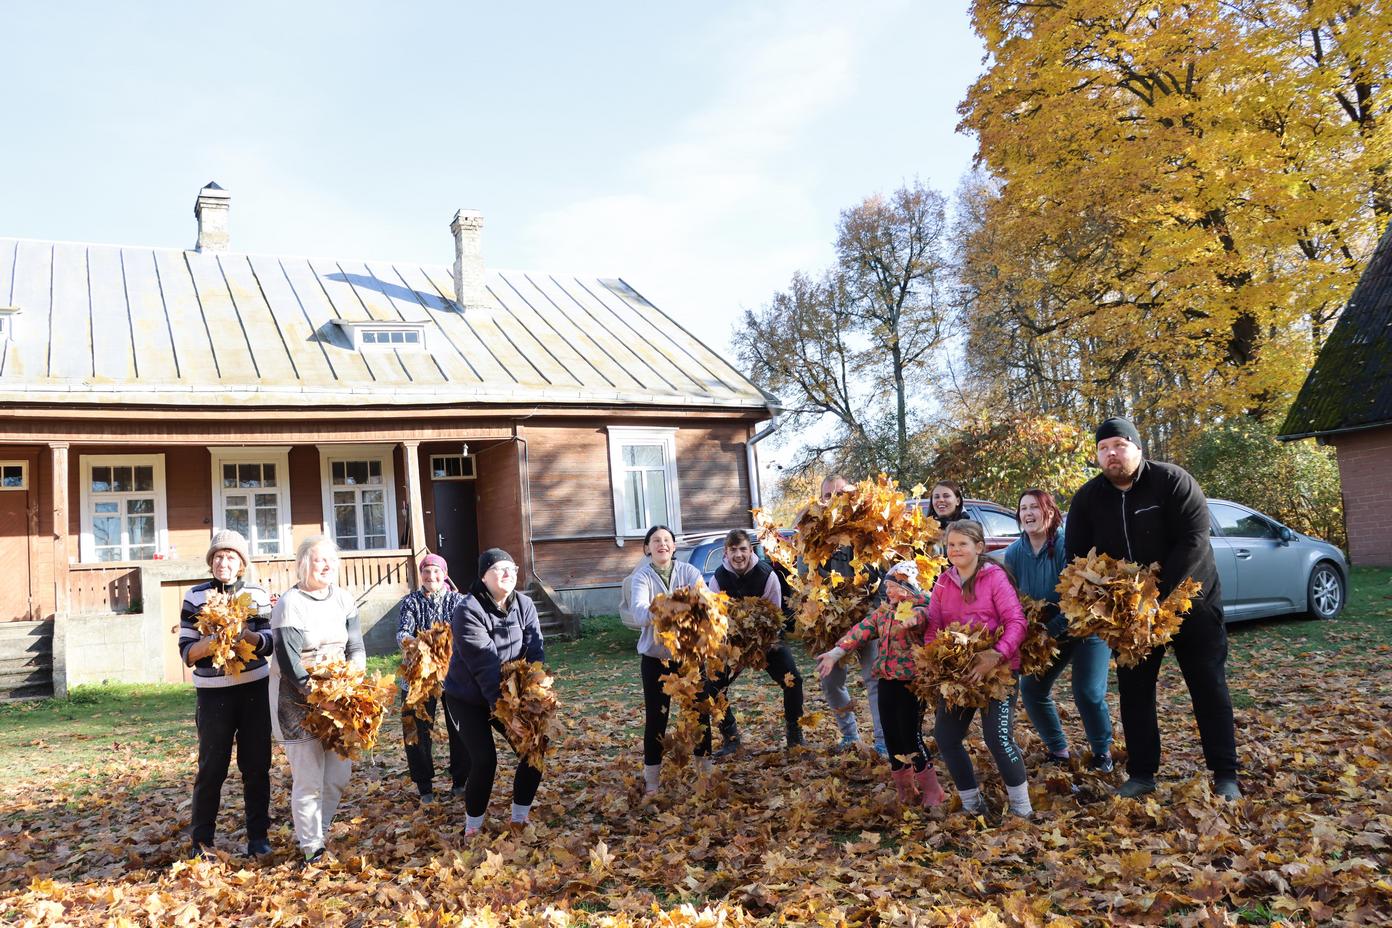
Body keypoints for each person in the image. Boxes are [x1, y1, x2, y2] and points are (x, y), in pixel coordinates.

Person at [1065, 416, 1239, 800]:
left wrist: (1153, 596)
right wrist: (1109, 603)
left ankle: (1225, 773)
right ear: (1096, 456)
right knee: (1135, 691)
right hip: (1130, 618)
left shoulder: (1173, 481)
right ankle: (1142, 773)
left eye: (1120, 445)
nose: (1112, 453)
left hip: (1191, 602)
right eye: (1104, 448)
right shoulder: (1088, 499)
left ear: (1138, 448)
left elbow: (1194, 541)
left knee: (1208, 685)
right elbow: (1076, 558)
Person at [816, 561, 946, 808]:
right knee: (891, 737)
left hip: (910, 683)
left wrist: (910, 618)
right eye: (887, 585)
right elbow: (861, 631)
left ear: (906, 587)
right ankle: (905, 788)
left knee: (911, 737)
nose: (887, 590)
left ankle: (933, 790)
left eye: (892, 586)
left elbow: (920, 617)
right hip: (886, 680)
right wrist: (836, 652)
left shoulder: (917, 605)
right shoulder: (884, 611)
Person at [927, 520, 1033, 819]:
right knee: (946, 737)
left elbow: (1017, 623)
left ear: (979, 547)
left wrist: (996, 656)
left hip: (997, 670)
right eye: (951, 545)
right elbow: (934, 626)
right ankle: (972, 805)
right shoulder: (944, 581)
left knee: (997, 737)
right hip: (960, 674)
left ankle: (1022, 809)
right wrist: (938, 660)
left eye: (963, 544)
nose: (956, 549)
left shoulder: (994, 577)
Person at [178, 530, 274, 858]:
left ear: (242, 563)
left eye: (231, 556)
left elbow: (269, 642)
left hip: (254, 691)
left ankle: (258, 837)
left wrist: (245, 637)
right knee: (211, 768)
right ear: (210, 562)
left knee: (257, 766)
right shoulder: (195, 596)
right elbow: (186, 651)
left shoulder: (258, 595)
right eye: (218, 556)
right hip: (213, 695)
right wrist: (214, 642)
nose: (224, 562)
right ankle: (201, 841)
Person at [270, 535, 366, 864]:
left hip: (340, 697)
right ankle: (312, 846)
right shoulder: (289, 604)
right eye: (316, 559)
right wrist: (319, 698)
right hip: (295, 700)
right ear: (302, 565)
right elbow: (290, 663)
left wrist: (353, 686)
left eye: (329, 560)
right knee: (309, 777)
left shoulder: (343, 599)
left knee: (339, 774)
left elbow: (355, 647)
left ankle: (319, 828)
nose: (324, 565)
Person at [1006, 489, 1115, 773]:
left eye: (1035, 507)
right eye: (1023, 508)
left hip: (1086, 627)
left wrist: (1049, 632)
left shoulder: (1068, 545)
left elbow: (1078, 600)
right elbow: (1011, 597)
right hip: (1047, 634)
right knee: (1032, 689)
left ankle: (1102, 752)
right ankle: (1058, 750)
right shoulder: (1014, 553)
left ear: (1050, 512)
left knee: (1088, 692)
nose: (1028, 513)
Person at [443, 548, 546, 836]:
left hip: (510, 694)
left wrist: (529, 702)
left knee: (533, 748)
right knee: (485, 761)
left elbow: (535, 654)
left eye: (511, 568)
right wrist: (507, 713)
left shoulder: (524, 604)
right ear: (483, 576)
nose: (507, 574)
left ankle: (519, 817)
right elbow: (485, 666)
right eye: (499, 569)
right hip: (467, 698)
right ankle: (473, 827)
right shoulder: (468, 610)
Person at [620, 524, 711, 795]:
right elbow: (638, 613)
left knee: (699, 717)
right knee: (656, 721)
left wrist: (669, 607)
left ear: (674, 546)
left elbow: (705, 602)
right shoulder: (642, 577)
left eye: (667, 540)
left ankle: (705, 776)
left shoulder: (689, 572)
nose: (662, 544)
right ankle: (652, 783)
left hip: (690, 659)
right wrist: (676, 607)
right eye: (656, 540)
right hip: (656, 662)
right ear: (647, 548)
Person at [707, 529, 805, 754]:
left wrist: (758, 648)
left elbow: (774, 617)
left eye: (743, 549)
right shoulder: (718, 578)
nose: (738, 555)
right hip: (731, 643)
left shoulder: (767, 574)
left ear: (750, 550)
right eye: (733, 550)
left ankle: (795, 733)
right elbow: (716, 619)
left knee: (793, 680)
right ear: (726, 552)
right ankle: (730, 737)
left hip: (768, 641)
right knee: (712, 685)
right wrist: (737, 653)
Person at [814, 475, 886, 756]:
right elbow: (806, 579)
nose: (835, 498)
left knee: (876, 680)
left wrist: (877, 614)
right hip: (830, 624)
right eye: (829, 494)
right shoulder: (814, 534)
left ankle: (882, 742)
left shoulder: (869, 529)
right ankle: (850, 735)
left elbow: (884, 574)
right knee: (830, 682)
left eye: (841, 492)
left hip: (869, 618)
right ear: (822, 499)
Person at [395, 552, 469, 805]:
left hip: (453, 675)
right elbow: (403, 632)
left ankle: (461, 781)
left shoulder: (457, 600)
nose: (431, 576)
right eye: (426, 571)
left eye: (436, 571)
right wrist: (419, 645)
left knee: (460, 728)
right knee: (416, 730)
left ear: (444, 574)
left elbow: (466, 631)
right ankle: (424, 785)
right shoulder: (410, 602)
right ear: (421, 575)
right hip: (418, 676)